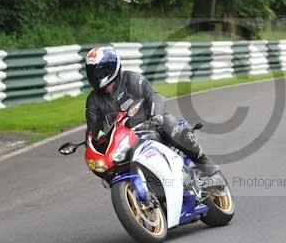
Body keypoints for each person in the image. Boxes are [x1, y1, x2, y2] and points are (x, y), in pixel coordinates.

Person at [84, 46, 223, 184]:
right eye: (92, 72)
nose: (95, 76)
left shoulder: (131, 79)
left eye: (98, 71)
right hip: (125, 139)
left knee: (168, 126)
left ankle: (209, 169)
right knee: (101, 163)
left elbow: (154, 96)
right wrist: (91, 142)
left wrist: (156, 116)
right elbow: (94, 127)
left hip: (151, 124)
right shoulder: (93, 100)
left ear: (111, 67)